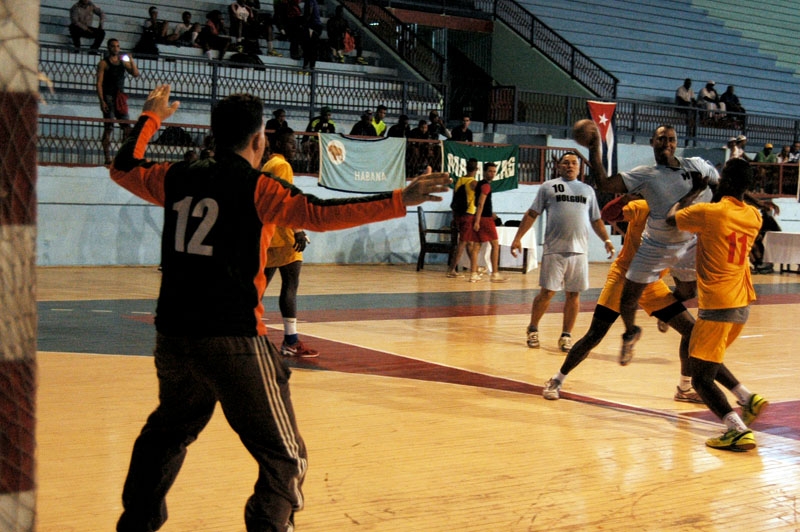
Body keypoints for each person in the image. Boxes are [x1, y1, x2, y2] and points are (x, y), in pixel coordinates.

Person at [109, 84, 450, 532]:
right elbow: (320, 214)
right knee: (285, 456)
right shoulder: (258, 187)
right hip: (232, 339)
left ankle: (137, 522)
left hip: (173, 336)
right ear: (259, 141)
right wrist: (400, 199)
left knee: (167, 432)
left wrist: (150, 118)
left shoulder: (177, 177)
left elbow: (123, 167)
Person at [542, 194, 701, 402]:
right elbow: (608, 214)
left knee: (692, 331)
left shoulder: (688, 218)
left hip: (652, 283)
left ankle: (684, 388)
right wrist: (626, 195)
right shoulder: (644, 206)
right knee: (595, 334)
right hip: (624, 277)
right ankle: (557, 379)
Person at [583, 124, 720, 364]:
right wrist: (595, 148)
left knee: (688, 292)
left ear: (676, 143)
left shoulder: (696, 164)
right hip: (659, 246)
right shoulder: (645, 176)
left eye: (671, 139)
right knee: (628, 300)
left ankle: (664, 316)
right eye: (661, 139)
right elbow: (604, 185)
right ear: (652, 142)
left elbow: (722, 186)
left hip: (690, 241)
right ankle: (632, 331)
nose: (667, 143)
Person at [665, 158, 768, 451]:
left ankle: (736, 429)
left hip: (717, 304)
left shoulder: (710, 213)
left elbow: (673, 217)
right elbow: (735, 199)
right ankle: (748, 398)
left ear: (722, 181)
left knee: (700, 378)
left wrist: (691, 193)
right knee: (707, 360)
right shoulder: (754, 216)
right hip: (742, 305)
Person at [511, 151, 614, 352]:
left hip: (579, 251)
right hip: (554, 249)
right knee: (547, 292)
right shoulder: (548, 187)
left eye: (574, 163)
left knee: (573, 294)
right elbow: (532, 213)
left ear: (579, 167)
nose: (570, 166)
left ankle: (566, 335)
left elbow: (596, 219)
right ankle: (533, 328)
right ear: (559, 166)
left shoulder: (587, 191)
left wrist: (607, 240)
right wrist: (518, 238)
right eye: (565, 163)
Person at [261, 127, 318, 358]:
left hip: (268, 233)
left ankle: (242, 333)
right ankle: (290, 341)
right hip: (283, 233)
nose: (294, 147)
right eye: (290, 143)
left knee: (258, 287)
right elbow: (286, 200)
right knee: (291, 284)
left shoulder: (267, 165)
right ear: (279, 145)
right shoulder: (283, 165)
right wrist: (298, 230)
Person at [97, 38, 139, 166]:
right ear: (109, 48)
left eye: (117, 46)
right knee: (109, 127)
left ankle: (124, 156)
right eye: (113, 46)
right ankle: (107, 157)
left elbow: (135, 74)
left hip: (119, 97)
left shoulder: (122, 62)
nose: (116, 48)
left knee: (126, 128)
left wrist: (131, 60)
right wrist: (102, 100)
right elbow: (99, 83)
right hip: (109, 96)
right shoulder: (104, 63)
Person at [469, 162, 507, 284]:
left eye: (494, 171)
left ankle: (473, 274)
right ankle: (495, 273)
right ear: (484, 172)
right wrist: (478, 221)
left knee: (477, 246)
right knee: (495, 245)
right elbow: (480, 204)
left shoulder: (480, 184)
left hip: (483, 217)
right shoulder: (485, 186)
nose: (492, 174)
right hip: (485, 219)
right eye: (490, 171)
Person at [446, 158, 479, 279]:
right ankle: (452, 269)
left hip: (458, 215)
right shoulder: (473, 183)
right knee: (463, 243)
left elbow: (454, 199)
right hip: (468, 214)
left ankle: (475, 268)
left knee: (469, 243)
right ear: (476, 169)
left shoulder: (459, 180)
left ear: (466, 168)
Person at [300, 0, 322, 74]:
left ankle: (307, 66)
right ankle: (311, 66)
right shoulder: (314, 1)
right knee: (312, 47)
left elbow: (309, 12)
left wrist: (305, 24)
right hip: (316, 26)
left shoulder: (310, 1)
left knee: (309, 46)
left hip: (313, 25)